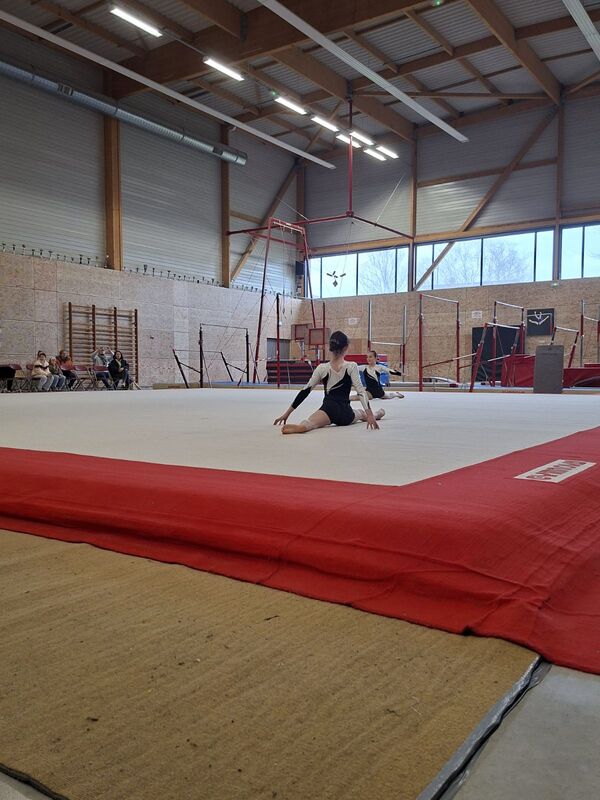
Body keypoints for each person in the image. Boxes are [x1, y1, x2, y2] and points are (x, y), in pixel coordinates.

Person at [274, 330, 384, 434]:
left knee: (311, 422)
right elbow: (360, 391)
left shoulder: (322, 368)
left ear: (329, 347)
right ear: (346, 347)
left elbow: (305, 391)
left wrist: (287, 414)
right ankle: (377, 414)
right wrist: (369, 414)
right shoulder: (351, 366)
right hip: (346, 414)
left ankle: (303, 427)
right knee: (361, 413)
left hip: (328, 410)